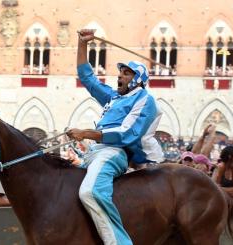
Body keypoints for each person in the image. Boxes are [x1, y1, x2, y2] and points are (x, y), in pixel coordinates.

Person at [66, 29, 164, 245]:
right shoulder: (113, 97)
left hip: (114, 154)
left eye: (126, 73)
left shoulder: (145, 99)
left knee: (90, 192)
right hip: (93, 154)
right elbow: (88, 78)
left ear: (137, 79)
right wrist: (82, 44)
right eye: (120, 73)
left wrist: (86, 133)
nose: (119, 76)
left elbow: (127, 134)